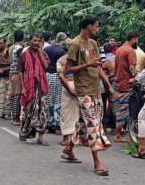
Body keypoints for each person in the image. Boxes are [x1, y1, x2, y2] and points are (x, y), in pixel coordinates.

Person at [62, 15, 113, 176]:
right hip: (83, 89)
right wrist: (87, 65)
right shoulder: (75, 44)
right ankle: (97, 162)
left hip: (95, 88)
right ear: (88, 26)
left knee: (87, 122)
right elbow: (67, 70)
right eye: (96, 26)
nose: (98, 29)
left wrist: (107, 84)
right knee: (93, 124)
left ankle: (69, 148)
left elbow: (98, 67)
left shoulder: (93, 43)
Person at [18, 32, 50, 144]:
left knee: (43, 111)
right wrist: (22, 87)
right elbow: (20, 72)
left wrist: (40, 53)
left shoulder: (44, 54)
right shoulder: (24, 55)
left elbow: (46, 66)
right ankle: (24, 131)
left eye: (38, 41)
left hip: (41, 87)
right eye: (34, 40)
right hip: (29, 87)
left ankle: (40, 138)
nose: (36, 43)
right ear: (30, 41)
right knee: (28, 109)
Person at [113, 31, 139, 143]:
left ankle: (120, 132)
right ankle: (118, 135)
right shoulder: (130, 51)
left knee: (122, 109)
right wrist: (138, 77)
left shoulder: (119, 49)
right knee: (123, 110)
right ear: (134, 39)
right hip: (127, 84)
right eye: (137, 40)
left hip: (118, 83)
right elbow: (132, 68)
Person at [44, 32, 67, 133]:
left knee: (49, 100)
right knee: (58, 100)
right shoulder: (62, 51)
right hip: (58, 76)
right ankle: (56, 123)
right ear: (62, 40)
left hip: (47, 75)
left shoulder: (46, 49)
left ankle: (48, 122)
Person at [56, 39, 77, 150]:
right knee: (78, 112)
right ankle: (76, 137)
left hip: (67, 85)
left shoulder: (61, 60)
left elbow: (61, 76)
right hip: (80, 86)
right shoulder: (79, 59)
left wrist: (68, 89)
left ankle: (65, 137)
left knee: (65, 112)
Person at [0, 38, 13, 118]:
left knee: (8, 95)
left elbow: (12, 64)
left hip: (9, 76)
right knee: (1, 94)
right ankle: (0, 113)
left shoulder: (8, 52)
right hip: (1, 77)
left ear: (5, 43)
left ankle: (7, 113)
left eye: (1, 43)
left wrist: (3, 69)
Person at [9, 30, 25, 126]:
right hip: (17, 73)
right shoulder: (20, 49)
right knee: (17, 95)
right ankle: (16, 117)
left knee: (15, 95)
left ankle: (14, 116)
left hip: (12, 72)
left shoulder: (11, 48)